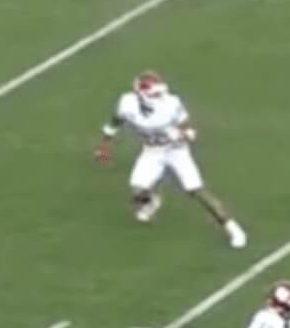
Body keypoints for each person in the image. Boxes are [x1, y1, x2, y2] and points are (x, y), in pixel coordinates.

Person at [94, 72, 250, 246]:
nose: (160, 97)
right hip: (152, 152)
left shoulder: (171, 103)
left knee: (196, 190)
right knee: (138, 192)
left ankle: (232, 228)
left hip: (177, 151)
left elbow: (188, 127)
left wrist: (183, 135)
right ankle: (152, 201)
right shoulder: (127, 104)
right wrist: (105, 145)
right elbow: (116, 121)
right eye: (155, 95)